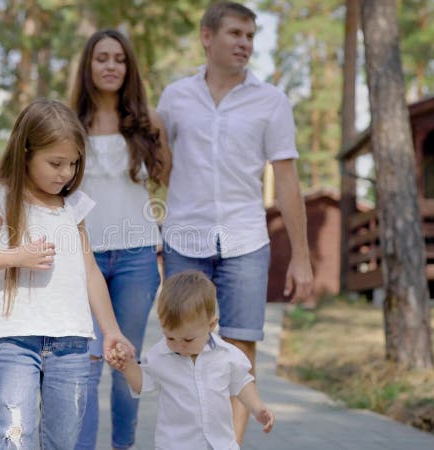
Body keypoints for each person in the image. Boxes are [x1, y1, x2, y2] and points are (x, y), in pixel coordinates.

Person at [157, 1, 313, 444]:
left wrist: (301, 257)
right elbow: (159, 166)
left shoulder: (271, 101)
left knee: (239, 353)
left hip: (245, 241)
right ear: (208, 37)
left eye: (250, 36)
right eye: (235, 34)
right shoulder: (175, 97)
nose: (245, 43)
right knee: (184, 350)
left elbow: (286, 180)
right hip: (185, 238)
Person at [0, 98, 135, 450]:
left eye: (73, 163)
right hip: (17, 341)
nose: (65, 173)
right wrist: (15, 256)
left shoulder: (73, 205)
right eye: (55, 163)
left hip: (72, 345)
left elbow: (91, 273)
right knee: (14, 441)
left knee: (63, 444)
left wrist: (111, 331)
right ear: (26, 152)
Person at [69, 29, 171, 450]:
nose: (111, 66)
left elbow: (166, 182)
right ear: (88, 66)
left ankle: (123, 446)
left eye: (119, 59)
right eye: (101, 58)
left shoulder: (149, 122)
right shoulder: (68, 121)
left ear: (129, 68)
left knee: (126, 360)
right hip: (82, 258)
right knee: (86, 364)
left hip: (136, 258)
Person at [105, 271, 274, 450]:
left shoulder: (226, 355)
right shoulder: (161, 355)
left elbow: (243, 383)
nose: (178, 345)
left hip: (220, 444)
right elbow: (141, 384)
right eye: (170, 338)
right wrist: (128, 367)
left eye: (187, 340)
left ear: (211, 325)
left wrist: (257, 408)